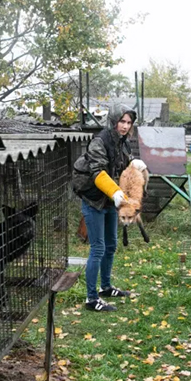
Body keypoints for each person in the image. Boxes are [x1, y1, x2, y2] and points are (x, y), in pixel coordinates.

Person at [72, 103, 148, 312]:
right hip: (95, 199)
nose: (124, 126)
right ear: (113, 121)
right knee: (98, 248)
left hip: (112, 202)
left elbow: (125, 166)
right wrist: (114, 192)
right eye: (121, 121)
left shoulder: (124, 143)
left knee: (111, 245)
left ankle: (105, 287)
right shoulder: (99, 142)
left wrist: (136, 165)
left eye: (128, 122)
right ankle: (91, 299)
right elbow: (97, 171)